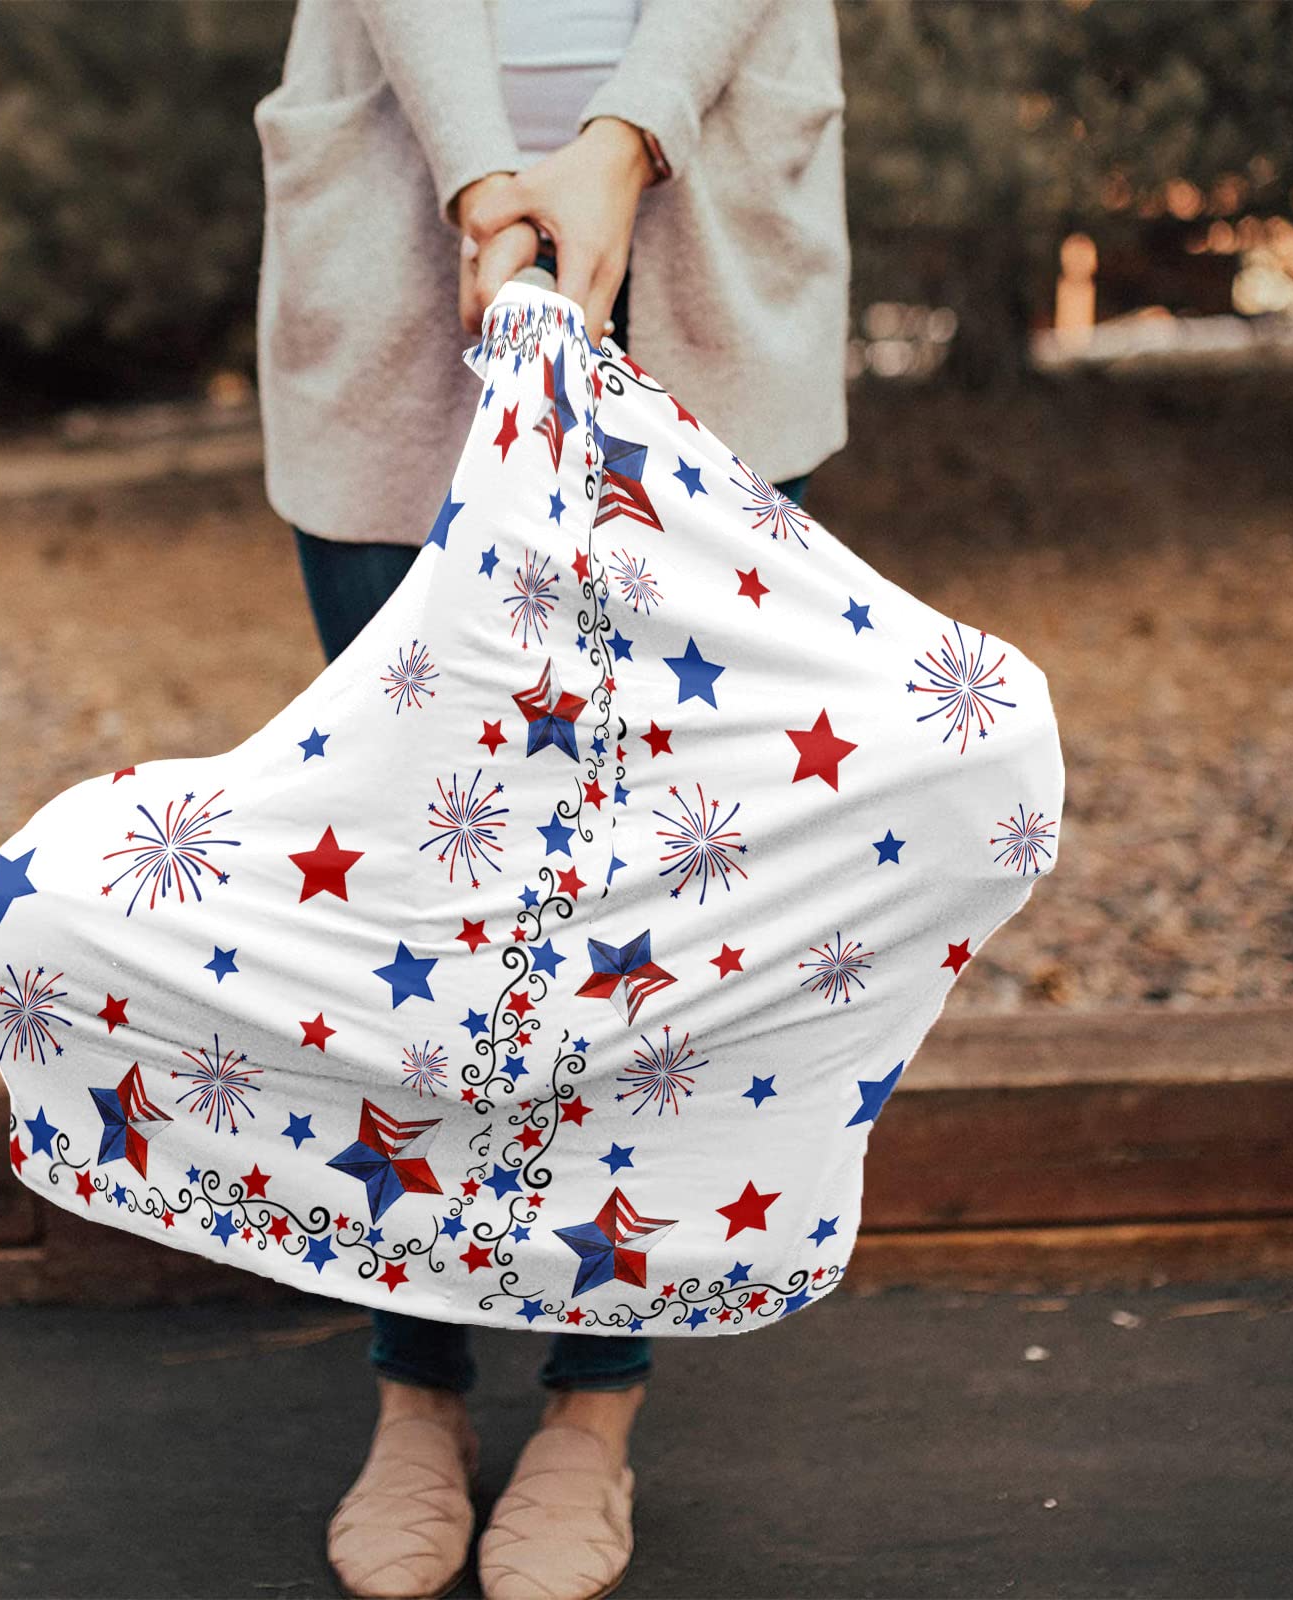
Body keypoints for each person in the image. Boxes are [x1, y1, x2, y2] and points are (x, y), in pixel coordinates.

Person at [251, 4, 849, 1595]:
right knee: (414, 872)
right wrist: (479, 178)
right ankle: (417, 1387)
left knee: (653, 884)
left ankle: (596, 1405)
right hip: (402, 219)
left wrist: (622, 137)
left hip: (705, 220)